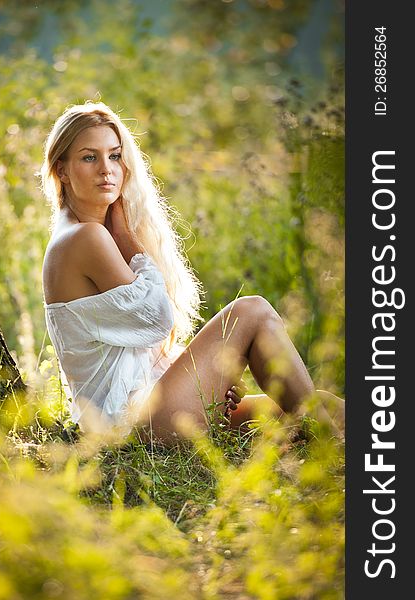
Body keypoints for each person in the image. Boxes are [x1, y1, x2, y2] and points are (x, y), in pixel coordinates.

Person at [41, 101, 344, 442]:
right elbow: (156, 319)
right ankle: (334, 450)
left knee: (327, 405)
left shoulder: (83, 232)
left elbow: (134, 350)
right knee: (252, 310)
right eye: (88, 157)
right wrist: (127, 237)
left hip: (149, 406)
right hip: (131, 424)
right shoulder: (86, 237)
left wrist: (208, 380)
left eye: (114, 155)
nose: (106, 169)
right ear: (61, 170)